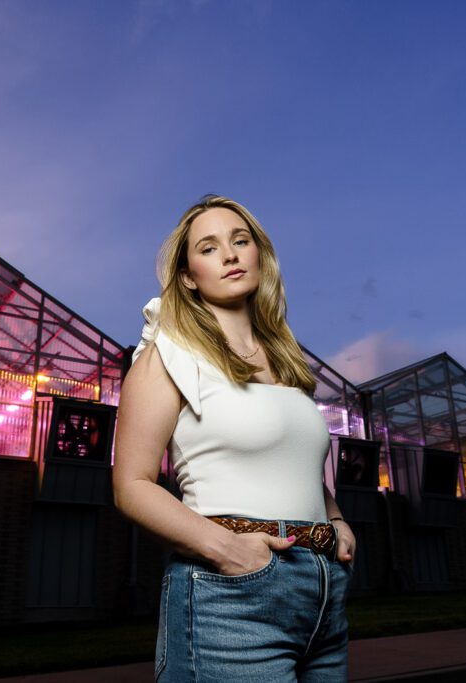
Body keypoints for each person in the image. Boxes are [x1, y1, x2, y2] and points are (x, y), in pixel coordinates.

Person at [112, 194, 356, 682]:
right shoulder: (167, 356)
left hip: (324, 591)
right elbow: (131, 485)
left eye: (240, 241)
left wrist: (336, 519)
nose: (229, 254)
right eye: (208, 247)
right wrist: (228, 550)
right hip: (233, 592)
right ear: (187, 276)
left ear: (258, 255)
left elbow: (290, 461)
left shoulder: (286, 362)